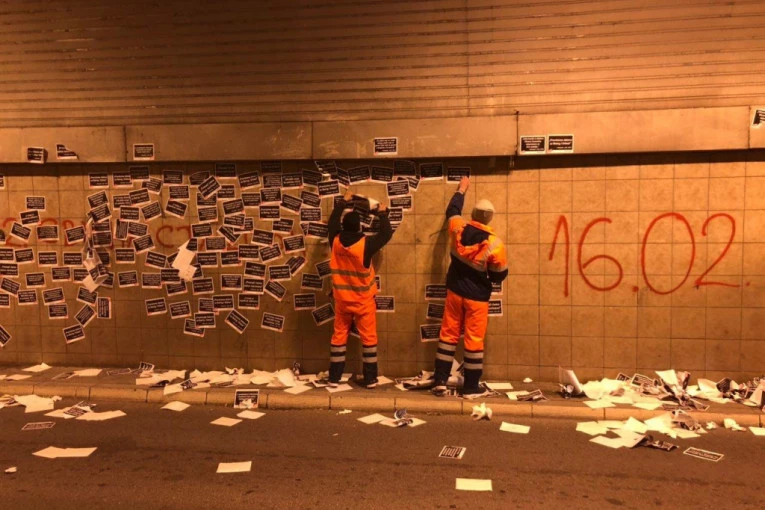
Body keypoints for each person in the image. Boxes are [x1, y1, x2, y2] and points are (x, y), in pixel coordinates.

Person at [432, 176, 508, 396]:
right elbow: (499, 275)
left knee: (448, 335)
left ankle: (440, 380)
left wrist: (462, 189)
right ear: (489, 219)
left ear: (473, 214)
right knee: (474, 340)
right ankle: (471, 387)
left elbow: (452, 210)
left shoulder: (458, 228)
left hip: (455, 292)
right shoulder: (495, 244)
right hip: (477, 298)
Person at [325, 188, 393, 388]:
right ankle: (370, 378)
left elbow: (332, 222)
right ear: (359, 227)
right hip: (363, 302)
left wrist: (343, 201)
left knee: (339, 337)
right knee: (369, 339)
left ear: (344, 226)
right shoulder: (365, 245)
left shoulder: (335, 241)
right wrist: (382, 213)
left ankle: (334, 378)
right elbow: (385, 234)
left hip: (342, 301)